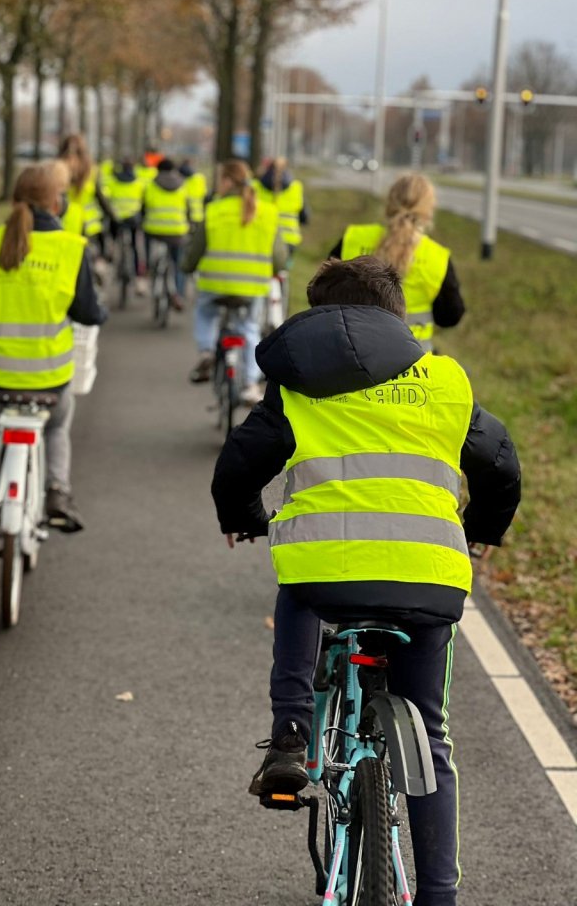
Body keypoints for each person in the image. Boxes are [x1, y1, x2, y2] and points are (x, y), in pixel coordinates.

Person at [211, 256, 521, 906]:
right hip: (429, 578)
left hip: (326, 576)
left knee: (298, 579)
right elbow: (499, 463)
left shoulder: (300, 383)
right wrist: (483, 529)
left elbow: (241, 461)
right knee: (431, 738)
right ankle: (439, 895)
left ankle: (291, 733)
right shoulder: (445, 379)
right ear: (396, 315)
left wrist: (245, 517)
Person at [0, 163, 105, 532]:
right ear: (56, 202)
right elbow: (88, 312)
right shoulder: (71, 248)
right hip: (52, 376)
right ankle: (57, 490)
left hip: (1, 375)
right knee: (57, 426)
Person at [182, 159, 286, 407]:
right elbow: (280, 258)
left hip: (214, 286)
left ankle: (207, 352)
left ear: (228, 181)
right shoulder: (268, 212)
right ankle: (250, 384)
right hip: (252, 288)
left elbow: (195, 251)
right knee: (249, 328)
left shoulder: (214, 210)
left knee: (205, 312)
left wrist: (186, 267)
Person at [332, 173, 464, 350]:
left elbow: (323, 291)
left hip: (354, 354)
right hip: (414, 363)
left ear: (389, 203)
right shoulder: (437, 257)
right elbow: (450, 316)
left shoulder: (354, 238)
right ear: (428, 211)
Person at [141, 157, 190, 311]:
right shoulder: (183, 186)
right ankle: (178, 294)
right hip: (177, 232)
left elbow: (144, 208)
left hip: (154, 231)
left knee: (151, 250)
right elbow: (187, 210)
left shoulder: (150, 185)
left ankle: (150, 270)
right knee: (178, 264)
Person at [102, 155, 148, 295]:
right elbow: (144, 203)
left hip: (116, 220)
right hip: (133, 220)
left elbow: (106, 199)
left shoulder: (112, 181)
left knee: (113, 241)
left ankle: (109, 263)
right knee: (134, 247)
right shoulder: (139, 183)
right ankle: (138, 277)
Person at [253, 156, 308, 251]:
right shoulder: (296, 187)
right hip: (289, 240)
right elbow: (304, 217)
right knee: (283, 265)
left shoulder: (255, 187)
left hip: (263, 237)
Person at [179, 159, 208, 229]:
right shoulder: (200, 178)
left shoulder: (184, 181)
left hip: (187, 216)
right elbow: (205, 193)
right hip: (200, 215)